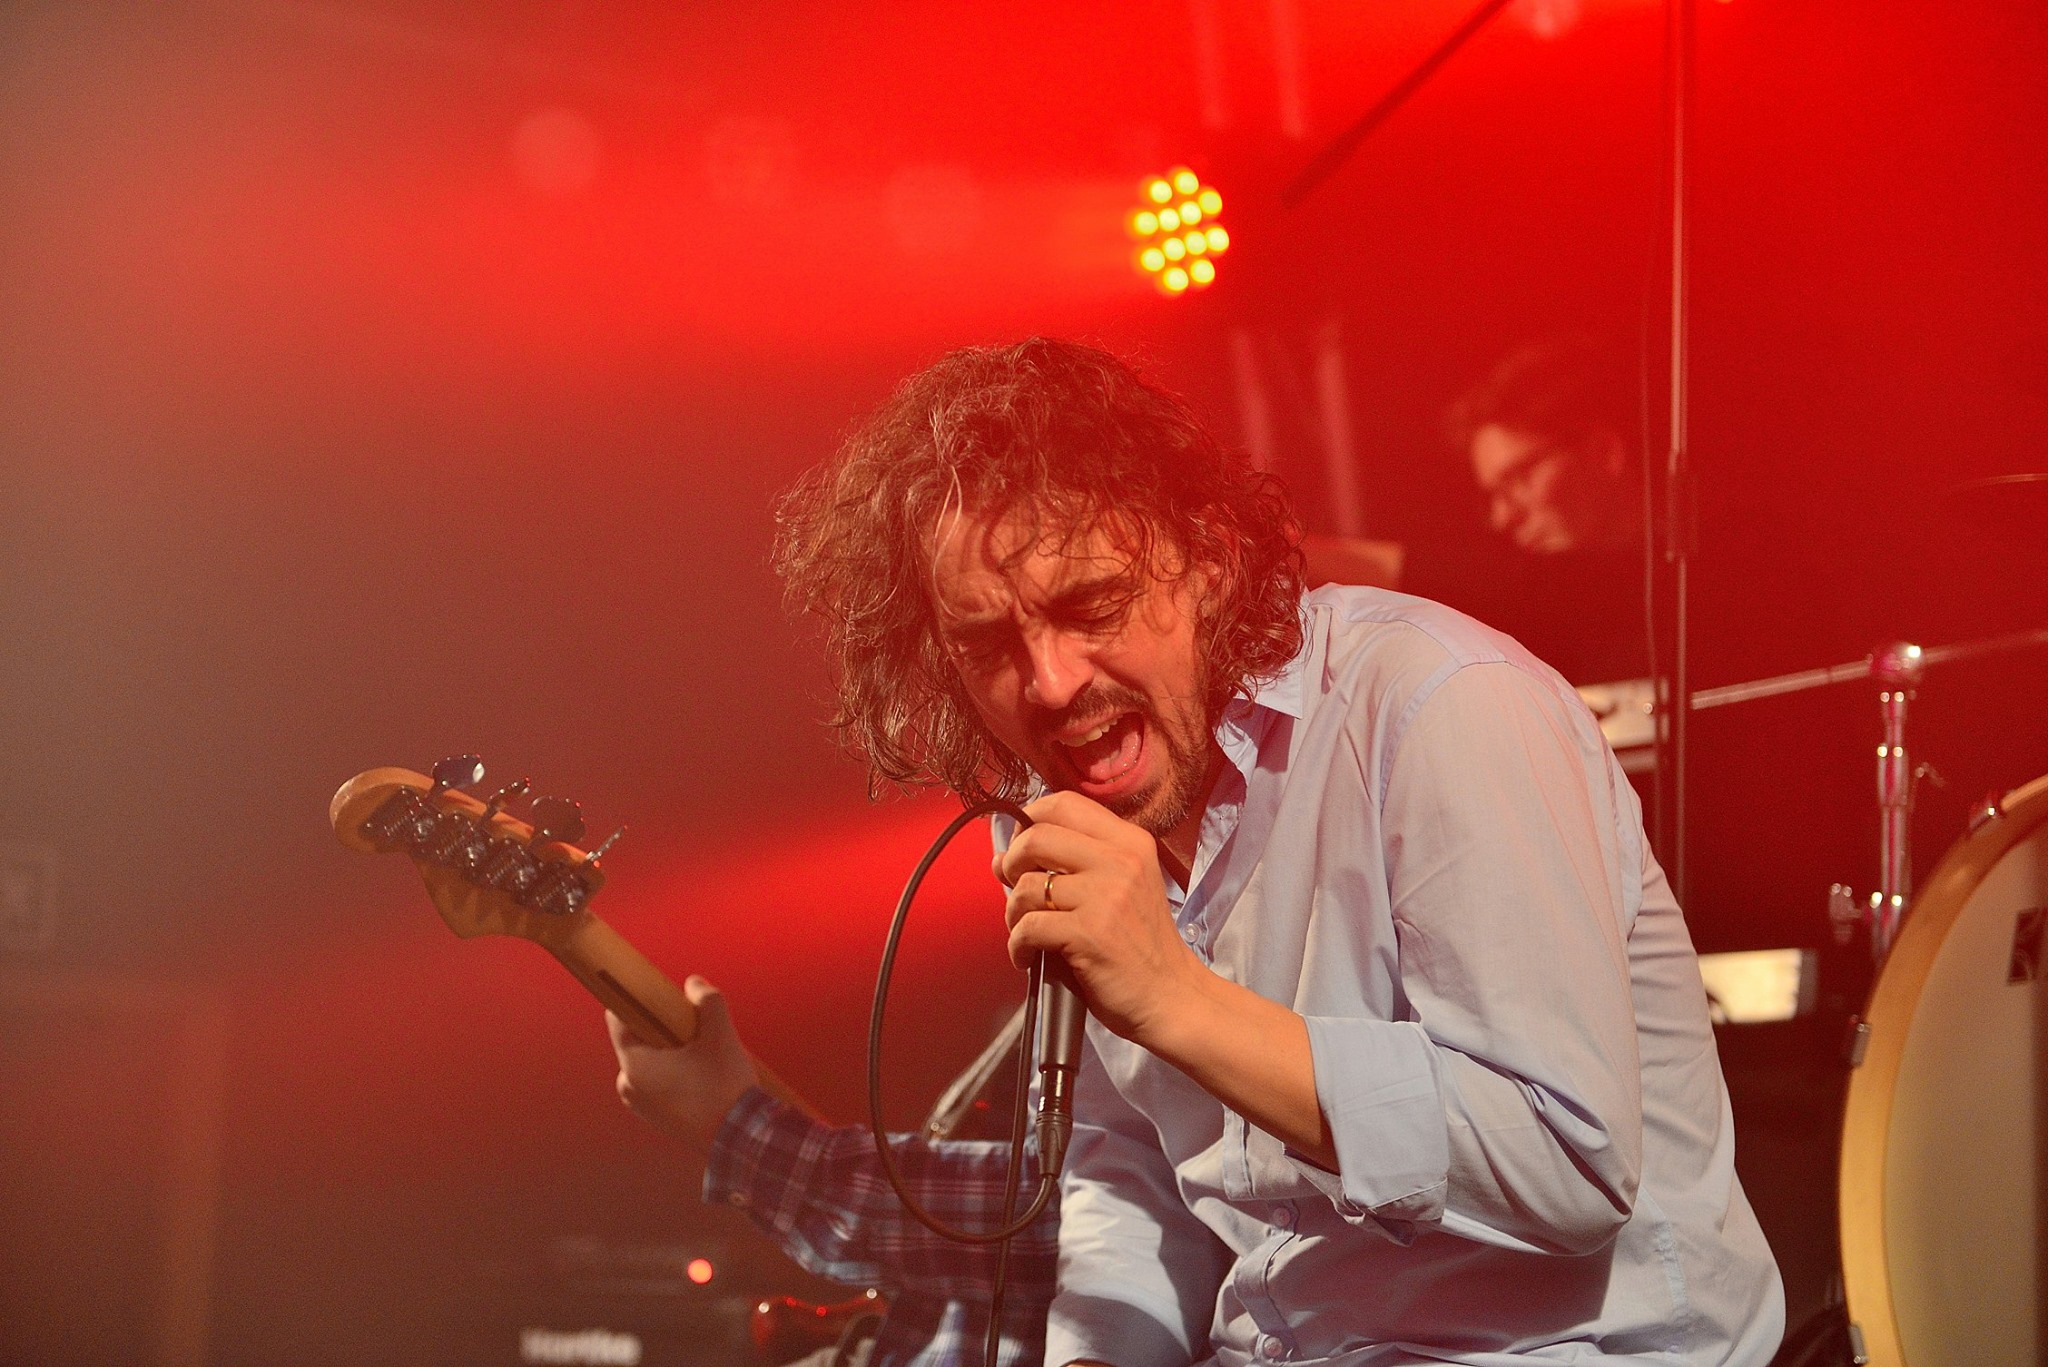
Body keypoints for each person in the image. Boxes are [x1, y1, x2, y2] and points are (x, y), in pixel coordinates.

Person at [614, 337, 1782, 1366]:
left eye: (1091, 605)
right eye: (986, 642)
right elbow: (1129, 1170)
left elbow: (1567, 1162)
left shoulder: (1437, 706)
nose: (1049, 682)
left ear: (1210, 560)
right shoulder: (1051, 802)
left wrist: (1174, 994)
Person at [1306, 335, 1651, 687]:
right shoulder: (1547, 631)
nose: (1503, 518)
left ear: (1603, 452)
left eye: (1519, 477)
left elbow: (1496, 585)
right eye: (1493, 495)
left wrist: (1296, 552)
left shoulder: (1672, 583)